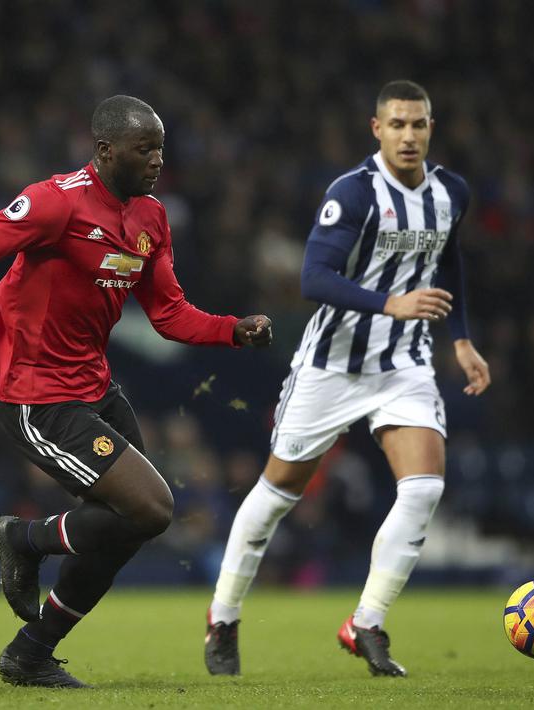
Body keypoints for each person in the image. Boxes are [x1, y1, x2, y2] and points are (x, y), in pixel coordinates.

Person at [0, 95, 273, 688]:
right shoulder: (57, 202)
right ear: (106, 150)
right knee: (152, 507)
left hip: (94, 386)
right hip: (34, 392)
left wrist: (232, 331)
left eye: (161, 146)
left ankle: (30, 652)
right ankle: (23, 539)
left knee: (133, 523)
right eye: (145, 148)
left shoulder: (151, 217)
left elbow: (170, 313)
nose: (158, 159)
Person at [204, 80, 491, 678]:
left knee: (423, 488)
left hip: (404, 364)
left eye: (418, 124)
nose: (408, 135)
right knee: (278, 494)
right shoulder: (353, 194)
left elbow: (449, 262)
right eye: (397, 125)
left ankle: (366, 622)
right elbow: (314, 278)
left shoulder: (450, 194)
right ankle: (223, 618)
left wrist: (460, 339)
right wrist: (391, 304)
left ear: (430, 128)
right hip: (330, 365)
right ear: (377, 129)